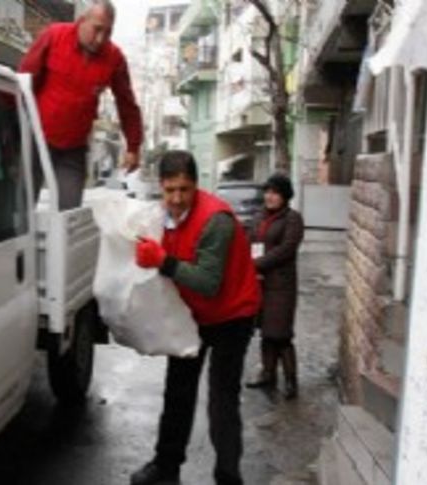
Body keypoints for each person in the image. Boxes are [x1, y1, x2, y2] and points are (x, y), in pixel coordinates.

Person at [130, 151, 262, 485]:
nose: (176, 199)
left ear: (196, 186)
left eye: (184, 190)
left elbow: (207, 282)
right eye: (170, 190)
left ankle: (228, 477)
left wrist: (163, 261)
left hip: (233, 314)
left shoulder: (216, 219)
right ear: (160, 186)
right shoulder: (161, 215)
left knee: (222, 399)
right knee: (178, 390)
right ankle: (166, 467)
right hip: (195, 315)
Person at [18, 0, 143, 209]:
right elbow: (25, 81)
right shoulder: (53, 36)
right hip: (37, 139)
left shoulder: (114, 58)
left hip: (73, 149)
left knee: (68, 216)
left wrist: (133, 146)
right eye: (97, 29)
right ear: (82, 21)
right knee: (20, 210)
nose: (101, 39)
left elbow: (127, 104)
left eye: (108, 32)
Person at [246, 173, 305, 399]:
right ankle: (267, 374)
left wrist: (256, 265)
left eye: (275, 192)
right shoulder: (259, 216)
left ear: (285, 195)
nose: (270, 197)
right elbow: (250, 239)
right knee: (265, 333)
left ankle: (291, 382)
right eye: (267, 192)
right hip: (260, 283)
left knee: (280, 335)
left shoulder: (293, 219)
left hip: (281, 286)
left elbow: (286, 249)